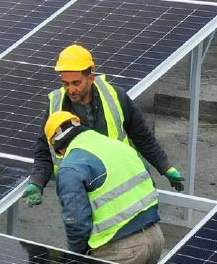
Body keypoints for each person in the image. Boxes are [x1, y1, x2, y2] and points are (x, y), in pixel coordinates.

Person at [37, 111, 167, 264]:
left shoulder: (71, 166)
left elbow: (76, 221)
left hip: (121, 253)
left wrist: (77, 258)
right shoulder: (118, 146)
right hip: (155, 239)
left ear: (57, 147)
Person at [25, 44, 183, 209]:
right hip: (84, 190)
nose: (71, 90)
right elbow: (44, 150)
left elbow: (142, 136)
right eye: (66, 84)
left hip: (122, 181)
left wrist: (165, 167)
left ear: (91, 78)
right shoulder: (55, 105)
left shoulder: (115, 97)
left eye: (76, 83)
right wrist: (36, 182)